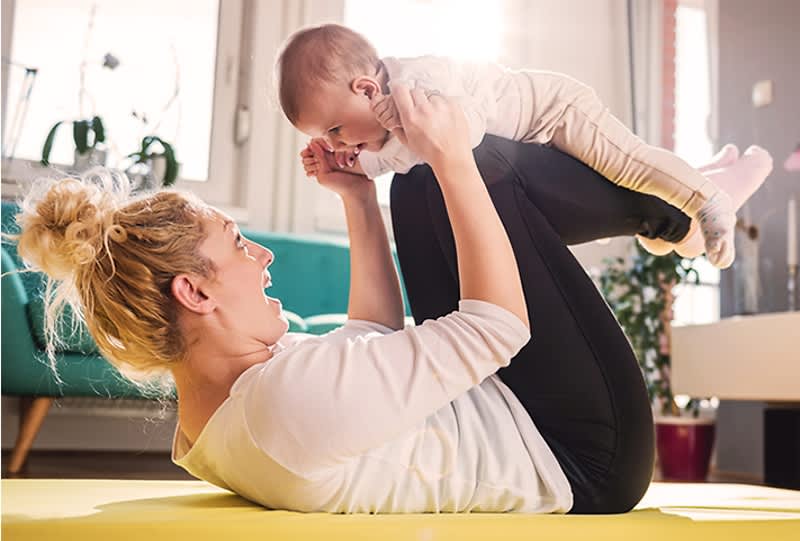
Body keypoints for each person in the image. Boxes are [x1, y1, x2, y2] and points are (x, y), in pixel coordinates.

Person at [12, 85, 740, 515]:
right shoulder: (282, 406)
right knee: (468, 164)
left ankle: (676, 208)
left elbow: (368, 340)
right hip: (579, 452)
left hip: (517, 409)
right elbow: (496, 329)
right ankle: (682, 208)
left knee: (418, 181)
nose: (262, 256)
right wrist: (453, 156)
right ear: (195, 290)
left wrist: (359, 198)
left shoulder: (227, 408)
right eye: (238, 244)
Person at [276, 23, 773, 270]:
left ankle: (710, 199)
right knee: (631, 205)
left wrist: (394, 129)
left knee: (629, 165)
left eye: (335, 130)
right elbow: (404, 158)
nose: (335, 141)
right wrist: (356, 165)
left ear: (366, 89)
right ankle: (704, 183)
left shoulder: (420, 80)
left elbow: (463, 137)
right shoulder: (388, 124)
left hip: (556, 111)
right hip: (536, 140)